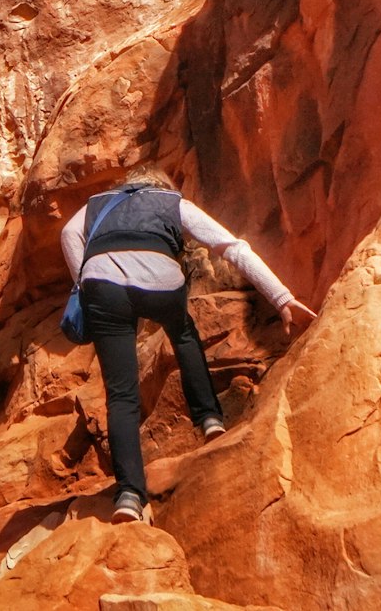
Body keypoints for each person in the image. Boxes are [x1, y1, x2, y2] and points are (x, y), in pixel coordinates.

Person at [62, 163, 317, 523]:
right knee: (182, 333)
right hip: (161, 282)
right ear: (159, 185)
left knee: (121, 394)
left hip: (103, 287)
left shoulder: (96, 204)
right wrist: (281, 298)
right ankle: (209, 419)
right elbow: (232, 247)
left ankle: (129, 497)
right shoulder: (172, 201)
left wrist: (84, 283)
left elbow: (69, 235)